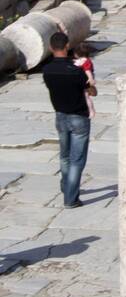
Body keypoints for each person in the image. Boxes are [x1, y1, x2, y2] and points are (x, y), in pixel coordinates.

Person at [42, 30, 93, 208]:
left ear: (50, 48)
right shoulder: (76, 71)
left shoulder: (47, 70)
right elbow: (89, 89)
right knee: (77, 159)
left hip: (60, 116)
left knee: (64, 156)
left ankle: (66, 187)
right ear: (67, 46)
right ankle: (71, 199)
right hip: (78, 116)